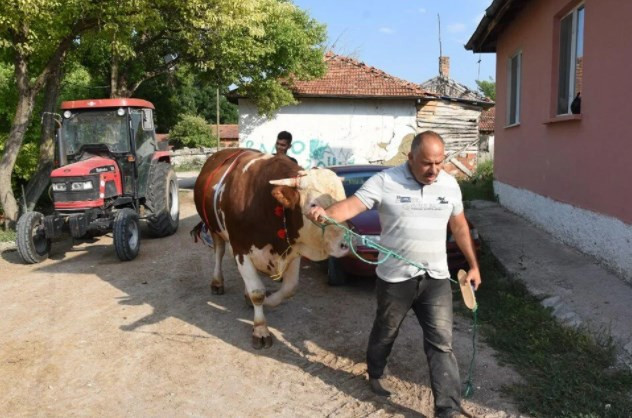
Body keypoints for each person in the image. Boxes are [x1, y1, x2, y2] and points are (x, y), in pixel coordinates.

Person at [307, 131, 481, 418]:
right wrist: (325, 213)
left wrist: (473, 265)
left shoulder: (449, 184)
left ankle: (447, 408)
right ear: (410, 157)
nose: (434, 170)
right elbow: (353, 205)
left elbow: (460, 225)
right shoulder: (385, 181)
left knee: (441, 343)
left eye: (439, 162)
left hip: (435, 279)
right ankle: (375, 370)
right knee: (386, 331)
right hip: (394, 279)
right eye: (427, 163)